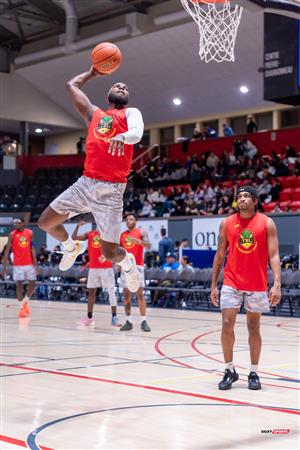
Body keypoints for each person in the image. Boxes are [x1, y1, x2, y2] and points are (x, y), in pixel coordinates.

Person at [37, 68, 144, 294]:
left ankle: (128, 264)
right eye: (117, 86)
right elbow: (71, 85)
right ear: (108, 97)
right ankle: (71, 246)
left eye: (125, 88)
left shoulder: (131, 113)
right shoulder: (94, 113)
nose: (122, 87)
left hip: (112, 190)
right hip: (85, 184)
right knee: (45, 223)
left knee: (110, 253)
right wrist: (93, 72)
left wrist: (122, 136)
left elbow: (137, 133)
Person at [210, 186, 281, 391]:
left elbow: (274, 255)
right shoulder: (226, 223)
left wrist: (277, 283)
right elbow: (220, 255)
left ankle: (254, 372)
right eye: (239, 197)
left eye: (246, 196)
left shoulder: (267, 223)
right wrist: (214, 285)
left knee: (253, 327)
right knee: (226, 324)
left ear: (255, 201)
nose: (241, 199)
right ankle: (229, 370)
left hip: (257, 282)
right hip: (232, 281)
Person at [72, 220, 121, 327]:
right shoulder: (90, 234)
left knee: (111, 291)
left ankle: (114, 317)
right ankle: (89, 317)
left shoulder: (109, 235)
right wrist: (77, 226)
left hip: (107, 268)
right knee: (91, 292)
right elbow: (74, 238)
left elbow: (115, 250)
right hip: (94, 268)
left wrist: (107, 257)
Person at [119, 213, 151, 332]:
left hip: (138, 266)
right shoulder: (122, 235)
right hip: (125, 267)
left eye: (131, 219)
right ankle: (128, 321)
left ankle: (144, 321)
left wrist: (138, 241)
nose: (128, 221)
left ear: (135, 221)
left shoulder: (141, 232)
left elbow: (148, 245)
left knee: (140, 294)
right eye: (127, 219)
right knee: (126, 296)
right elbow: (119, 251)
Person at [2, 218, 38, 318]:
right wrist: (5, 267)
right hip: (17, 265)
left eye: (17, 223)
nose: (15, 225)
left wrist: (36, 264)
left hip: (29, 264)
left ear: (22, 223)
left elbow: (32, 248)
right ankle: (21, 309)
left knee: (33, 284)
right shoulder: (12, 234)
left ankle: (25, 302)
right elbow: (7, 250)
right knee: (19, 286)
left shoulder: (30, 233)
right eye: (14, 223)